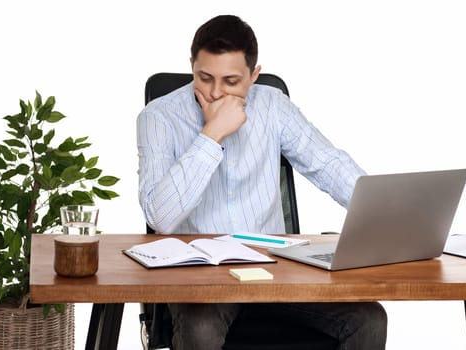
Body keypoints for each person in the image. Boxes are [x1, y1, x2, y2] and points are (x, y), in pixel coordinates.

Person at [137, 14, 387, 350]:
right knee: (201, 330)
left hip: (274, 271)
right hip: (200, 280)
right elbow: (160, 218)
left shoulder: (273, 106)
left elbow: (328, 164)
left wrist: (383, 212)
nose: (215, 93)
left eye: (231, 81)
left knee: (368, 320)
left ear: (253, 76)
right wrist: (211, 136)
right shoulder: (158, 117)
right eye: (204, 77)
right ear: (191, 65)